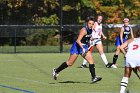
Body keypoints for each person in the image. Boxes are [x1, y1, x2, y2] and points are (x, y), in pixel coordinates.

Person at [53, 16, 102, 83]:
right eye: (89, 23)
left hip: (83, 46)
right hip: (77, 46)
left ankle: (94, 77)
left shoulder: (91, 29)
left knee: (91, 61)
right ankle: (56, 70)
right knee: (70, 63)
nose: (91, 25)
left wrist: (91, 39)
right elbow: (78, 41)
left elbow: (87, 37)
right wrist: (83, 49)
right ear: (87, 23)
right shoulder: (84, 30)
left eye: (92, 24)